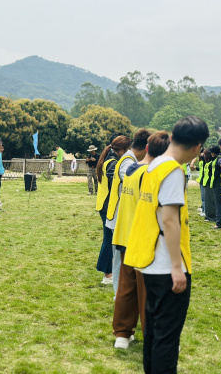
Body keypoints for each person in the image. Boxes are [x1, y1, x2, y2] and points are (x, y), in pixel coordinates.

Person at [126, 116, 209, 373]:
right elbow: (170, 220)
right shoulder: (173, 171)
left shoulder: (154, 165)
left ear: (171, 137)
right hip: (166, 266)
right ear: (198, 147)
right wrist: (177, 268)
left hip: (149, 261)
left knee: (153, 331)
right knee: (167, 338)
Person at [112, 131, 169, 350]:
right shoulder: (154, 176)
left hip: (126, 236)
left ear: (146, 148)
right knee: (151, 292)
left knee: (127, 288)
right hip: (146, 240)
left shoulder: (131, 170)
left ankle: (123, 334)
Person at [106, 129, 151, 295]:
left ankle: (122, 293)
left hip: (121, 214)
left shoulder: (129, 159)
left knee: (122, 258)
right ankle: (119, 294)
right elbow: (131, 179)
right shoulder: (128, 161)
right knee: (120, 260)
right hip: (120, 215)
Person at [95, 133, 125, 284]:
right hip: (109, 206)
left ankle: (107, 272)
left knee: (108, 239)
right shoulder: (112, 162)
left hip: (104, 205)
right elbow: (116, 183)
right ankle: (108, 275)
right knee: (109, 240)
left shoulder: (106, 159)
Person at [209, 145, 221, 229]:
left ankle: (219, 223)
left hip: (218, 184)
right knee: (218, 204)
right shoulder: (217, 158)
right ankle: (219, 222)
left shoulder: (219, 158)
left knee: (219, 204)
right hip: (216, 184)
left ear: (213, 152)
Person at [202, 149, 216, 222]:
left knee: (210, 202)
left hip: (210, 184)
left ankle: (211, 217)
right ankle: (208, 216)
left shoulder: (211, 163)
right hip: (206, 183)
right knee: (208, 201)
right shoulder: (207, 163)